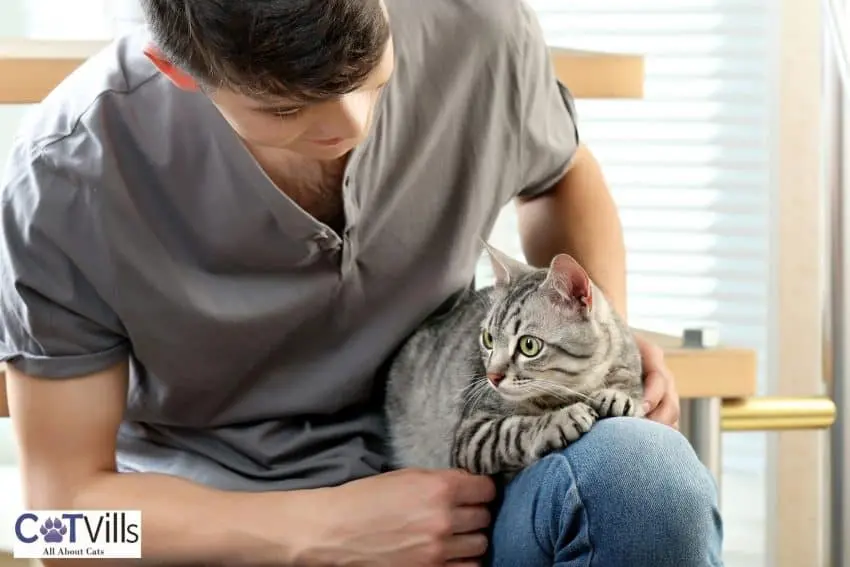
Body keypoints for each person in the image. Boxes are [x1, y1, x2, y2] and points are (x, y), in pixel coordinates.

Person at [0, 0, 723, 565]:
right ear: (178, 70)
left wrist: (599, 337)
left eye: (371, 75)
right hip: (219, 532)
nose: (349, 122)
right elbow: (58, 520)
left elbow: (560, 173)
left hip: (468, 470)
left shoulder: (476, 29)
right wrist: (320, 531)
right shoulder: (65, 176)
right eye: (284, 108)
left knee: (647, 483)